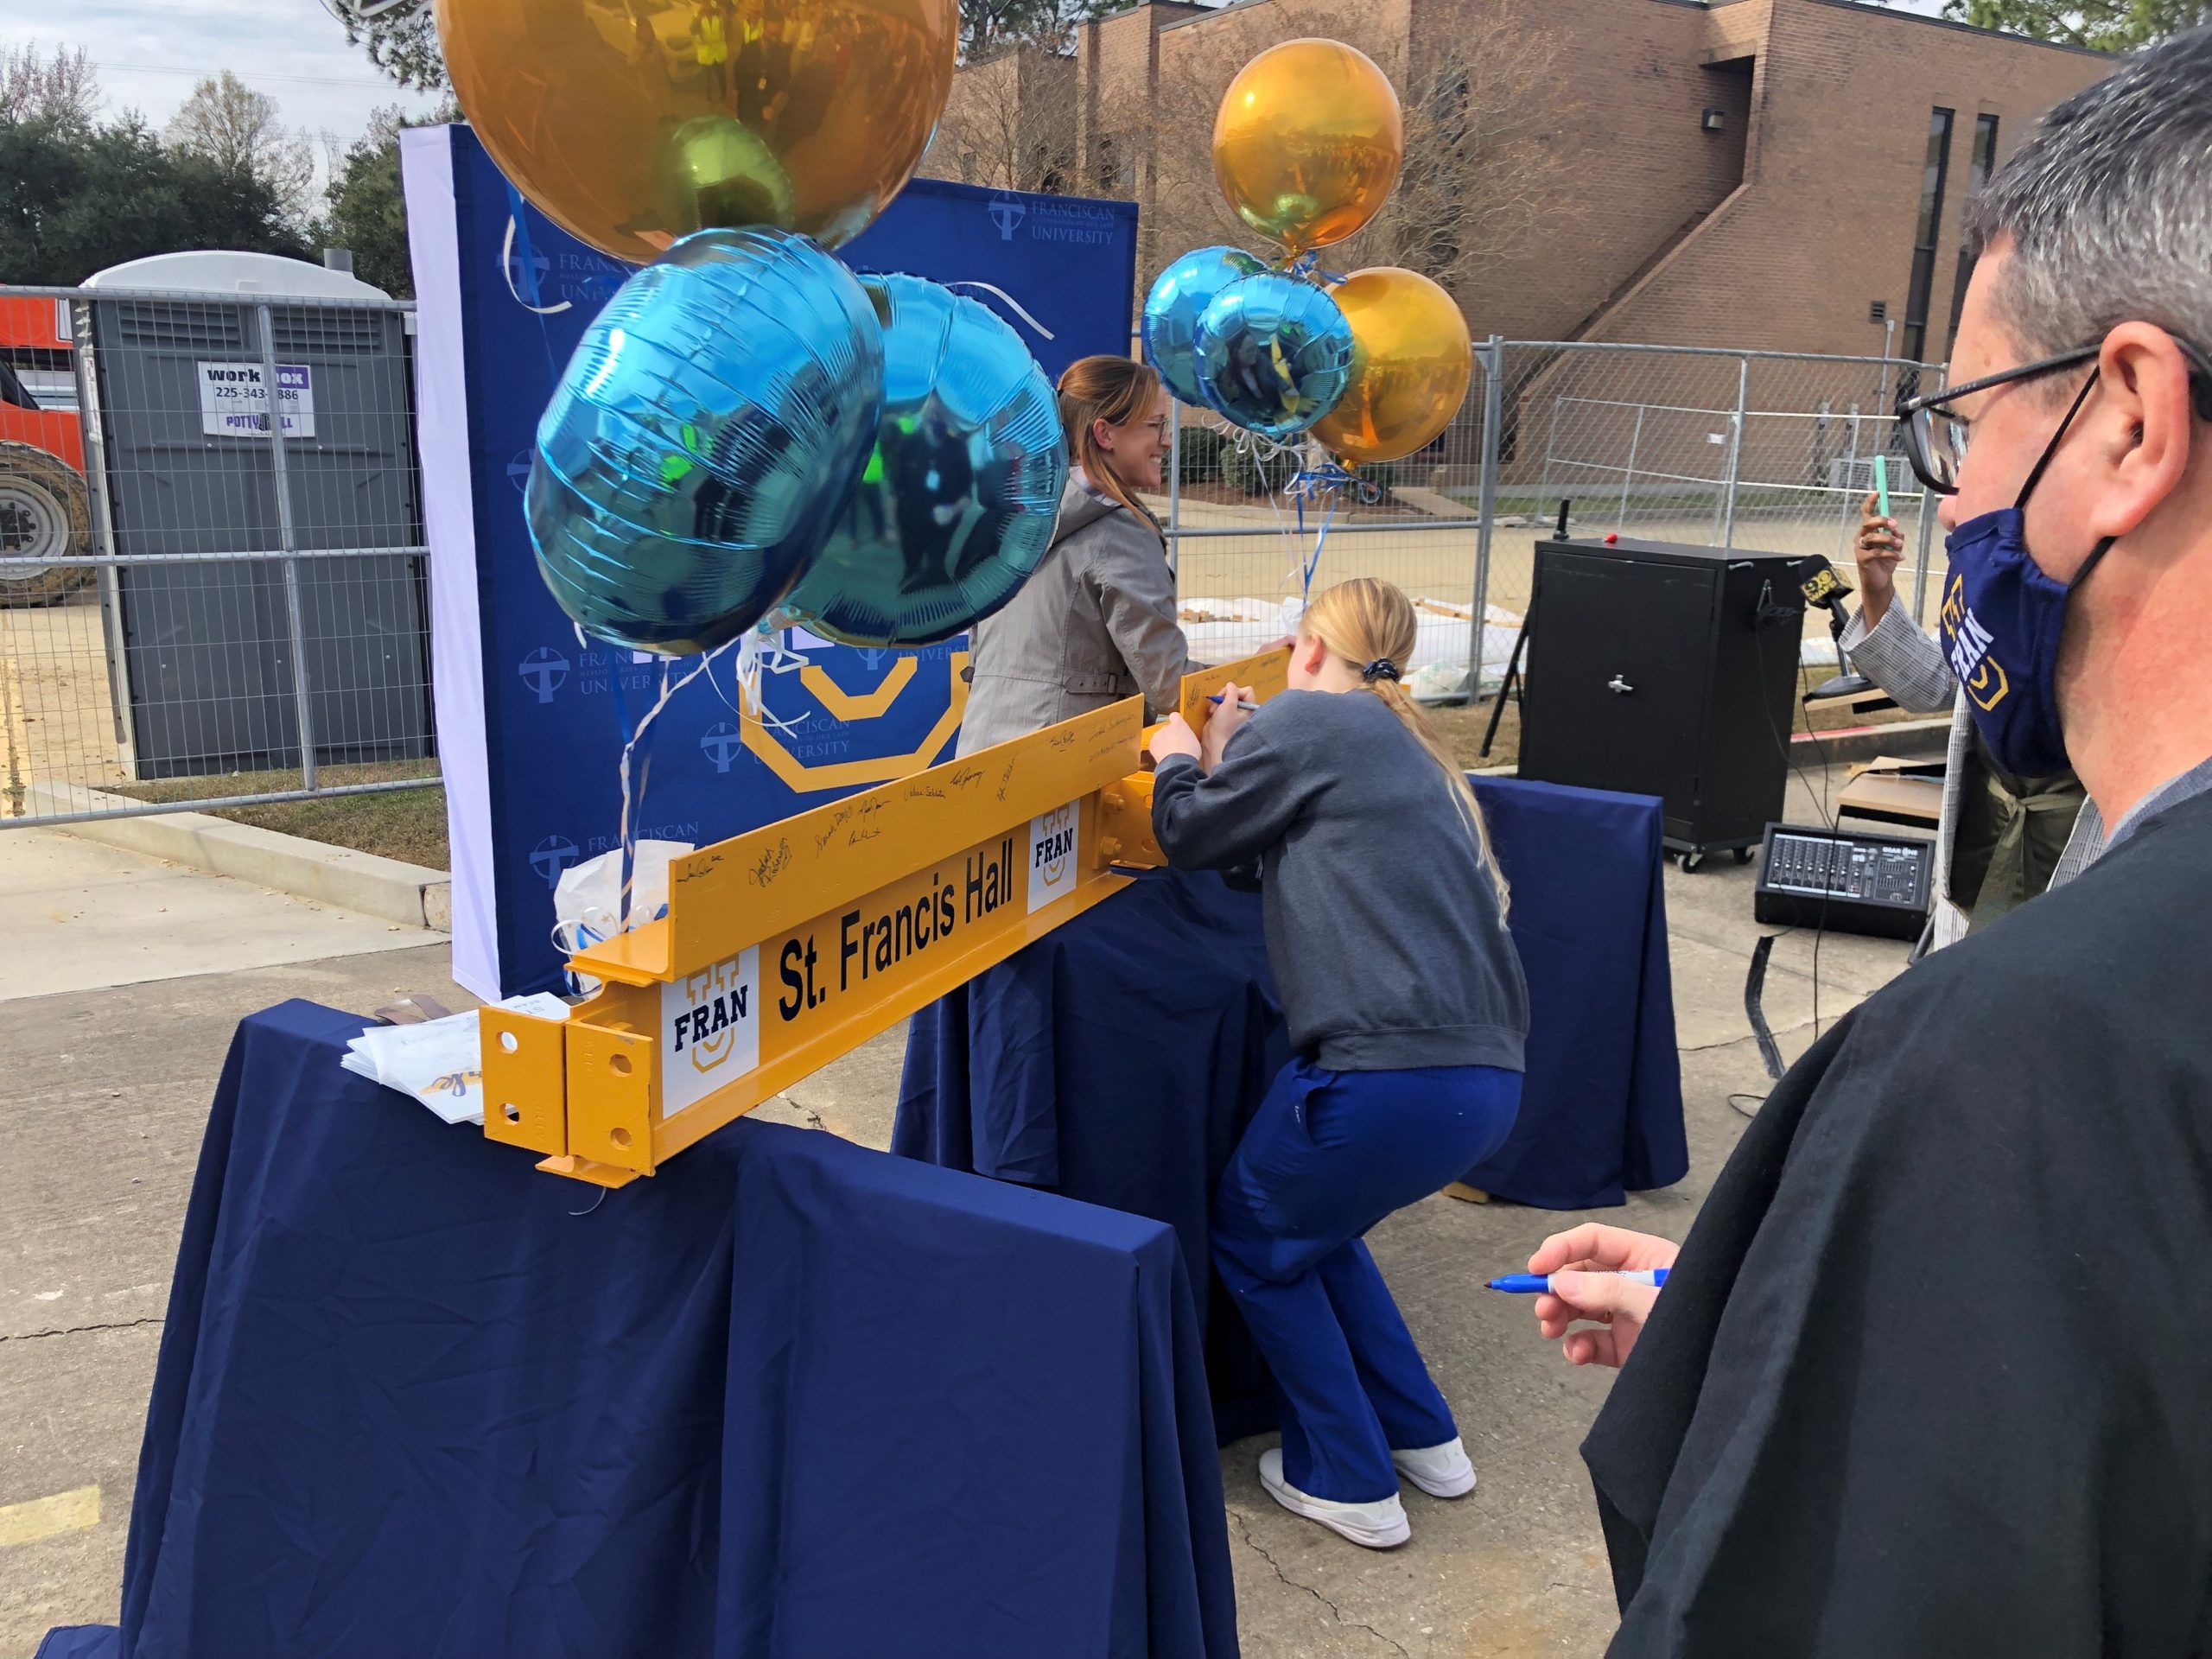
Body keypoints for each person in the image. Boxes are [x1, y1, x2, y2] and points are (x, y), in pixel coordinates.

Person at [1522, 31, 2212, 1653]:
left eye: (1963, 419)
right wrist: (1778, 1314)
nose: (1958, 486)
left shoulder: (2030, 1058)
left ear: (2126, 420)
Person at [1146, 577, 1529, 1549]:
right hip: (1483, 1083)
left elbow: (1191, 835)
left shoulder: (1313, 724)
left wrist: (1179, 759)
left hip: (1380, 1080)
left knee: (1251, 1237)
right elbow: (1257, 852)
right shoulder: (1411, 746)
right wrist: (1236, 760)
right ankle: (1421, 1437)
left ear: (1308, 651)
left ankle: (1347, 1476)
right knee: (1314, 1231)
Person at [1844, 491, 2094, 945]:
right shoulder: (1995, 584)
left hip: (2080, 863)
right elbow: (1938, 682)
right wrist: (1877, 590)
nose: (1949, 510)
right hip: (1985, 840)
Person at [957, 357, 1198, 755]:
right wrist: (1253, 678)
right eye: (1155, 426)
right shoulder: (1122, 533)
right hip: (1062, 774)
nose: (1167, 441)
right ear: (1104, 433)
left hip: (982, 755)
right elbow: (1170, 685)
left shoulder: (1012, 520)